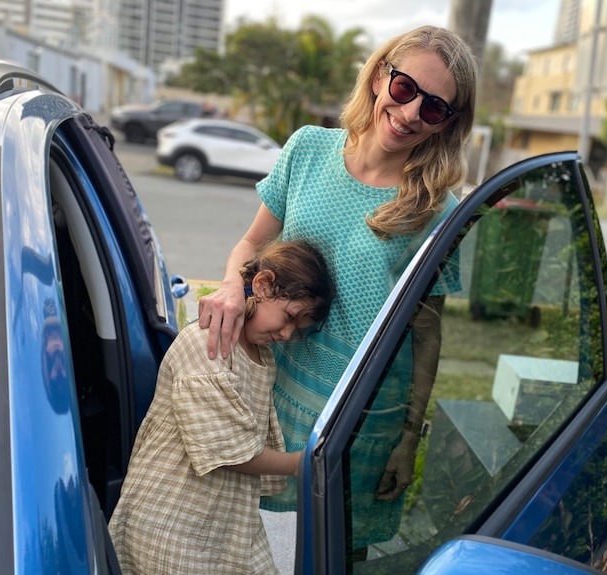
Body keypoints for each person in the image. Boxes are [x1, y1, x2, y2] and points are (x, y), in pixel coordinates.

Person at [198, 25, 477, 551]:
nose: (413, 112)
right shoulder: (307, 149)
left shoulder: (440, 209)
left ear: (448, 123)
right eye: (404, 89)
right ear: (379, 77)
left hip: (363, 418)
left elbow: (427, 333)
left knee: (332, 553)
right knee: (250, 545)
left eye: (435, 108)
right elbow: (250, 245)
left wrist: (409, 438)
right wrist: (234, 287)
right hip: (275, 390)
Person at [108, 239, 335, 575]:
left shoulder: (263, 357)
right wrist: (297, 464)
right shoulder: (208, 343)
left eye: (297, 329)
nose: (287, 335)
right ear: (262, 285)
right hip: (172, 521)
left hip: (225, 521)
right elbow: (229, 448)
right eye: (289, 317)